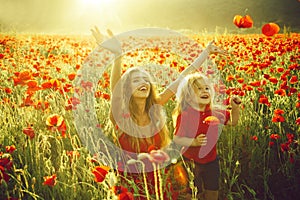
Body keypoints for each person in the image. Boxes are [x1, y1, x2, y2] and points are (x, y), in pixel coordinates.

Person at [91, 26, 227, 199]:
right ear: (126, 89)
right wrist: (118, 56)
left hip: (159, 182)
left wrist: (206, 52)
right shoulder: (121, 115)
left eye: (145, 80)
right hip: (132, 186)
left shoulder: (156, 106)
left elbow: (184, 75)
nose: (143, 82)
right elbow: (115, 91)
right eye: (136, 80)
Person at [172, 73, 241, 200]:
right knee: (193, 193)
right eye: (199, 89)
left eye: (206, 88)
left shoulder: (215, 111)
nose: (204, 91)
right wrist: (194, 142)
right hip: (191, 161)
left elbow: (233, 122)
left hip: (211, 160)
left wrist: (235, 108)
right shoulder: (185, 115)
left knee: (213, 191)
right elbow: (177, 138)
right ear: (188, 96)